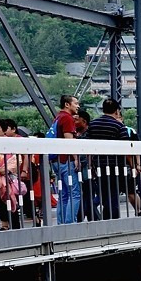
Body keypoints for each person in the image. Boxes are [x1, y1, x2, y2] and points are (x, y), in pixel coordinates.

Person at [84, 99, 131, 220]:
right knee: (114, 194)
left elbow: (87, 147)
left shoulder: (93, 124)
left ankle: (105, 219)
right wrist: (133, 165)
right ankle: (113, 220)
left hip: (99, 165)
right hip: (116, 166)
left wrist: (90, 165)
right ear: (117, 111)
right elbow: (126, 148)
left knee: (104, 193)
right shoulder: (119, 125)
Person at [50, 94, 81, 224]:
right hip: (65, 160)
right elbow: (69, 142)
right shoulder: (67, 118)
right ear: (67, 104)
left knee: (63, 194)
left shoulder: (58, 117)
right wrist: (76, 158)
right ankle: (70, 224)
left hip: (56, 159)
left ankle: (61, 223)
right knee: (75, 193)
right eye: (76, 103)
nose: (78, 106)